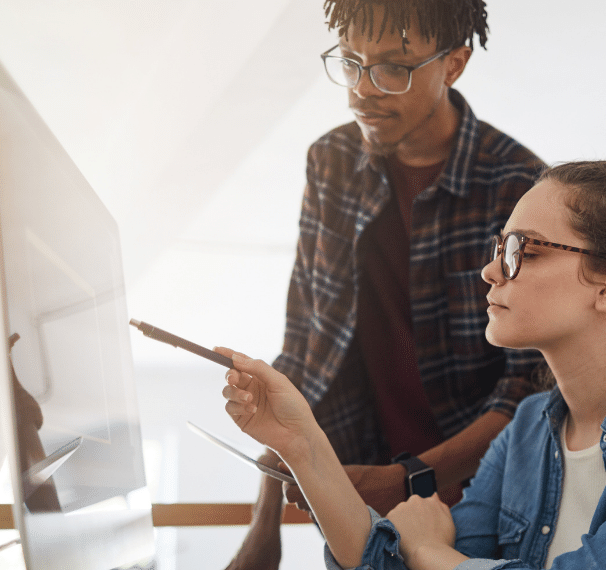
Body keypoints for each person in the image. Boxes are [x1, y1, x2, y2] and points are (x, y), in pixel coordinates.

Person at [218, 159, 606, 569]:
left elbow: (428, 558)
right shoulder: (530, 428)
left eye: (522, 251)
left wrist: (433, 553)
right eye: (498, 248)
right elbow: (390, 564)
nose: (491, 270)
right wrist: (302, 444)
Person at [223, 0, 547, 568]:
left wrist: (408, 478)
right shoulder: (331, 163)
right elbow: (306, 347)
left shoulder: (520, 186)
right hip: (356, 487)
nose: (362, 91)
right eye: (351, 62)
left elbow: (531, 387)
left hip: (483, 502)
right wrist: (263, 520)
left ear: (454, 65)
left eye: (394, 67)